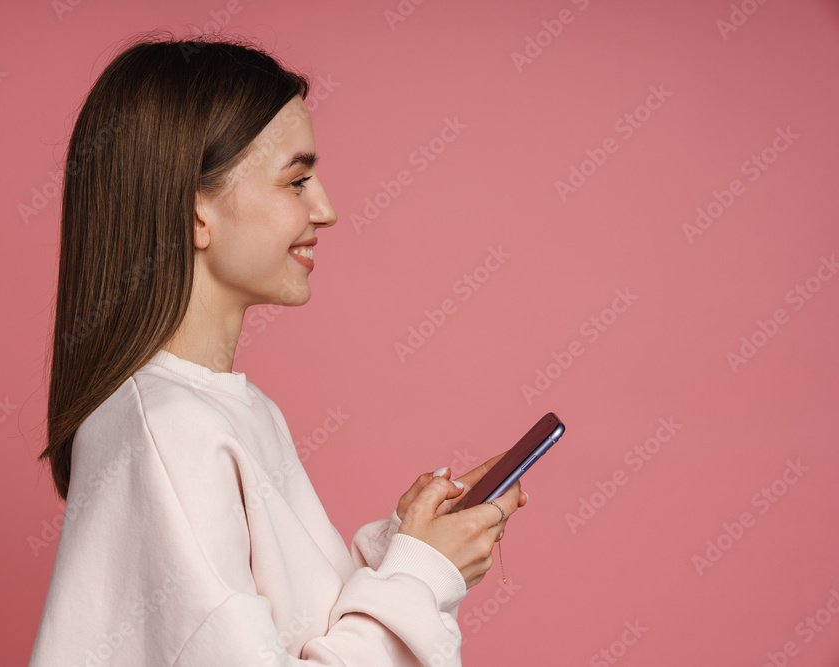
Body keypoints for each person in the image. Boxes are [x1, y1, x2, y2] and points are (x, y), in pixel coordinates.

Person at [29, 32, 527, 666]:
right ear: (195, 212)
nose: (325, 209)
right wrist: (420, 575)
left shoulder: (232, 411)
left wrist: (407, 548)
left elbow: (285, 632)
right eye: (296, 181)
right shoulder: (173, 428)